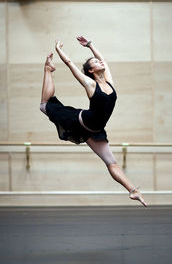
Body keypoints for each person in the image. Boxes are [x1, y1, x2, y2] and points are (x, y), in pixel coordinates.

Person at [40, 36, 147, 207]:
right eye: (95, 62)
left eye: (99, 61)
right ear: (91, 71)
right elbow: (69, 64)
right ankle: (47, 69)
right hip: (77, 121)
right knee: (45, 105)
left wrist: (90, 45)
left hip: (95, 131)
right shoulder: (90, 84)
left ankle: (133, 191)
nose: (101, 62)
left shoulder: (110, 83)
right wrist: (59, 50)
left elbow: (103, 59)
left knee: (111, 162)